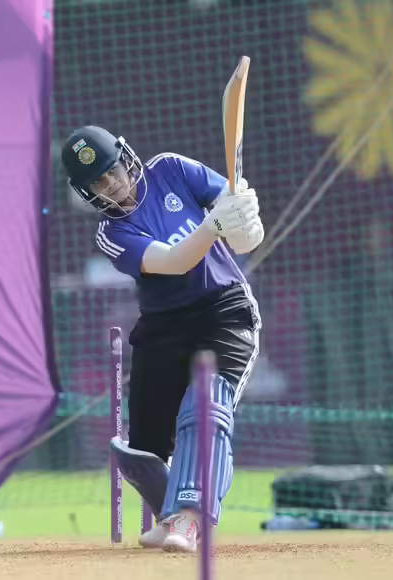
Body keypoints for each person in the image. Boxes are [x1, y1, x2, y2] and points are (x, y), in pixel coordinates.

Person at [60, 126, 263, 552]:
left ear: (126, 158)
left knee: (206, 406)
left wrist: (243, 212)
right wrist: (213, 225)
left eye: (111, 170)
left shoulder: (171, 169)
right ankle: (169, 514)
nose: (110, 183)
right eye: (97, 182)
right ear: (87, 192)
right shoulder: (112, 233)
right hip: (165, 324)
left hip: (224, 312)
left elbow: (237, 212)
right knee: (144, 446)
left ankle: (190, 517)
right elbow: (173, 261)